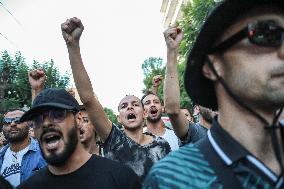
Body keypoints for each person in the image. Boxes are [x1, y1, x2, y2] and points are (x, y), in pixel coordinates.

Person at [143, 0, 284, 188]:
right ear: (212, 65)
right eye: (265, 33)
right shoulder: (174, 179)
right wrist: (172, 52)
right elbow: (173, 109)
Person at [61, 17, 171, 181]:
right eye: (124, 106)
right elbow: (88, 98)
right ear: (119, 118)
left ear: (145, 114)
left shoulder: (162, 145)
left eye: (135, 104)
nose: (130, 108)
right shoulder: (113, 140)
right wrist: (73, 46)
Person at [18, 88, 140, 189]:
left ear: (79, 119)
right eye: (37, 119)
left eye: (57, 114)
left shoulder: (121, 179)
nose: (45, 124)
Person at [162, 26, 207, 144]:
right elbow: (172, 110)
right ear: (196, 109)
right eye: (207, 96)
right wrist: (172, 51)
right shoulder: (194, 132)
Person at [0, 109, 46, 187]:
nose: (12, 124)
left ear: (29, 124)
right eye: (7, 121)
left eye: (18, 120)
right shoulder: (1, 155)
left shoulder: (44, 153)